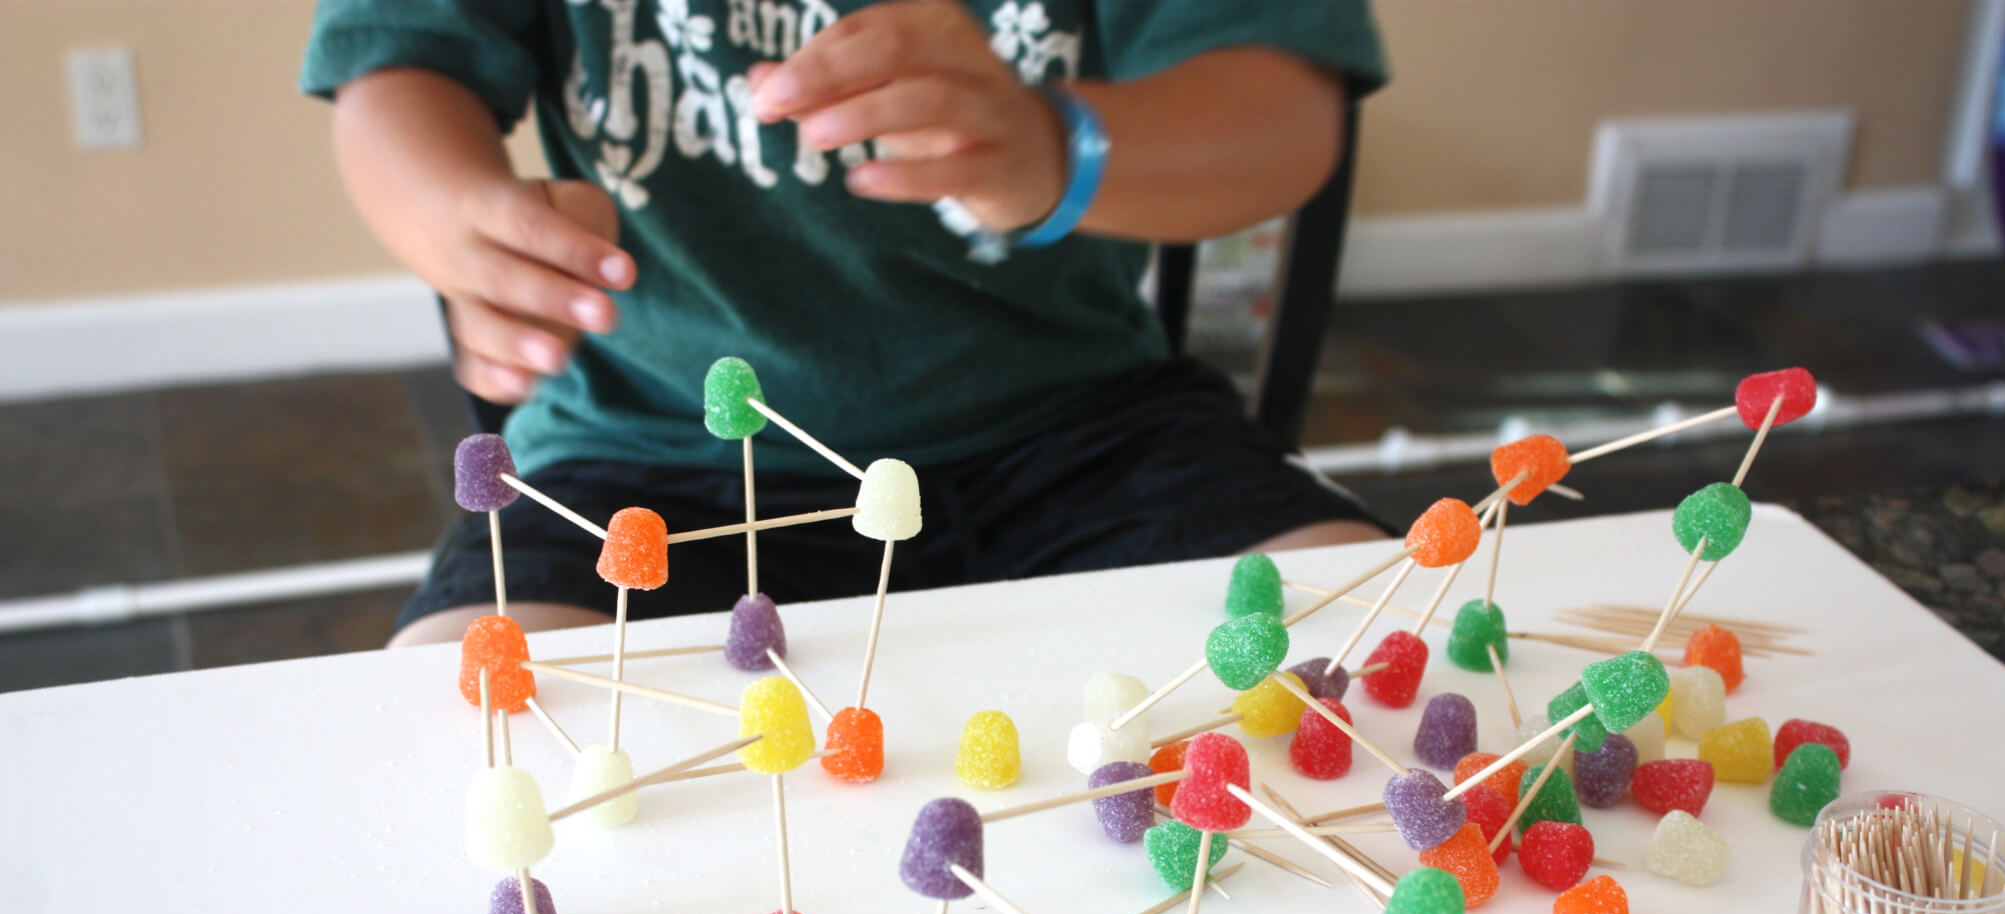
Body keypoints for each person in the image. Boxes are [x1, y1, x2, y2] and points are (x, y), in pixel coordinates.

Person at [302, 0, 1389, 646]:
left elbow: (1279, 110)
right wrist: (459, 221)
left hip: (1090, 438)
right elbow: (395, 62)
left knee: (1387, 663)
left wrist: (1059, 149)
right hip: (643, 464)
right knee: (466, 750)